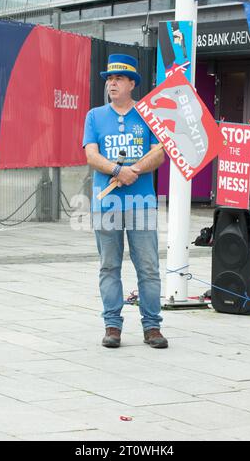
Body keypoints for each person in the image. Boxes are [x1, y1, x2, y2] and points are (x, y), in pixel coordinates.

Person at [83, 53, 168, 349]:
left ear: (132, 83)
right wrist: (118, 170)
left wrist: (136, 170)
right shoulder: (94, 116)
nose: (112, 83)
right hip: (106, 205)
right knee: (109, 265)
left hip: (141, 203)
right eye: (109, 79)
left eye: (119, 78)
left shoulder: (149, 114)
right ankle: (112, 325)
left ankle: (152, 327)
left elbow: (160, 151)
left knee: (148, 266)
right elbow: (91, 155)